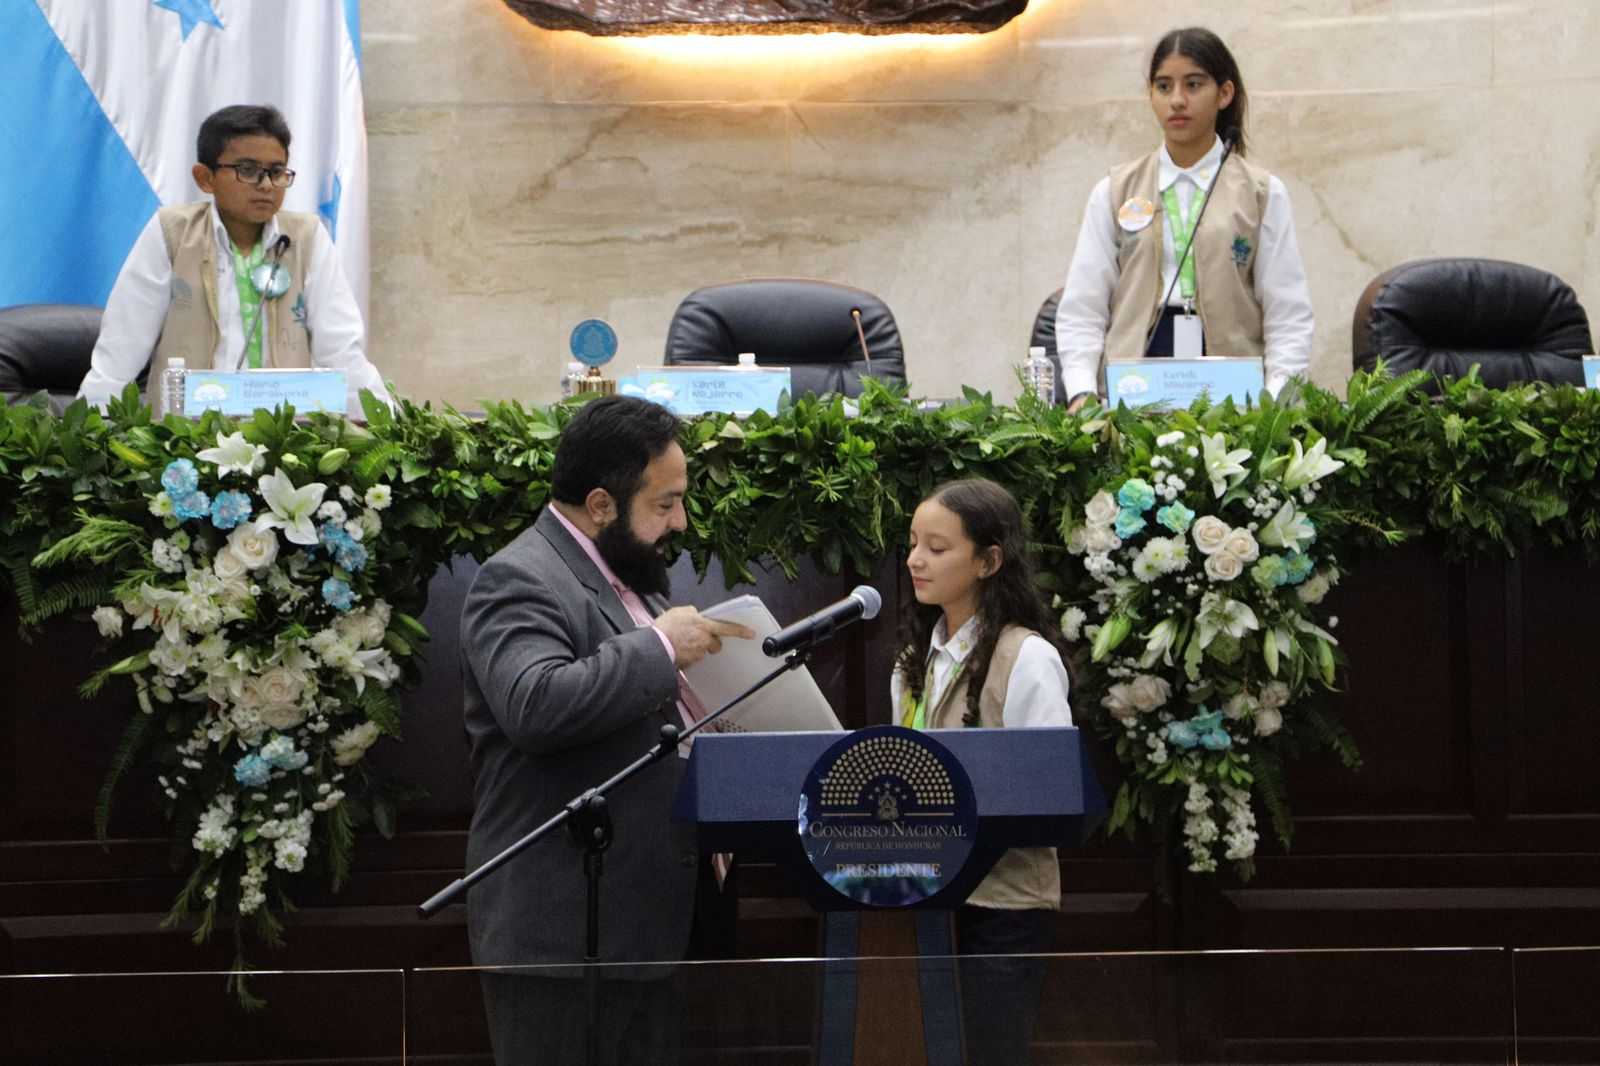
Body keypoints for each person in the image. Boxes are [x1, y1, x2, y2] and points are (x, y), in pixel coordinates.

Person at [459, 395, 753, 1066]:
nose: (680, 521)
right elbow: (535, 703)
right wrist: (659, 646)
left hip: (651, 927)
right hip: (565, 940)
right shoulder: (517, 576)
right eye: (664, 504)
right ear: (599, 504)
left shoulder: (633, 579)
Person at [892, 478, 1073, 1066]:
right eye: (913, 543)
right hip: (925, 900)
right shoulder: (911, 662)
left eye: (937, 547)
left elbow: (1049, 797)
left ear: (989, 560)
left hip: (1004, 908)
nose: (916, 559)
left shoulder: (1028, 658)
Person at [1055, 27, 1314, 413]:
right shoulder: (1114, 191)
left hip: (1233, 386)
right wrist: (1081, 392)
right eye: (1163, 86)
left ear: (1224, 94)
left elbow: (1288, 314)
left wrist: (1274, 402)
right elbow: (1083, 308)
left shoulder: (1262, 193)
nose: (1177, 100)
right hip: (1137, 379)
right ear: (1150, 95)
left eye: (1193, 85)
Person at [77, 104, 390, 416]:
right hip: (185, 444)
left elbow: (342, 352)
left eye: (277, 172)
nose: (266, 185)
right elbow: (119, 355)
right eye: (249, 170)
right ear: (205, 178)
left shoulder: (306, 237)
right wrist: (87, 437)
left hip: (289, 444)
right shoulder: (172, 233)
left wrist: (387, 428)